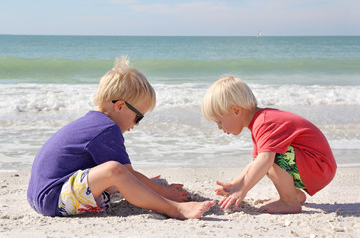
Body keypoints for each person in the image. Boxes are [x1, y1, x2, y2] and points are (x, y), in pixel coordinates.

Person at [27, 56, 215, 219]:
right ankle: (175, 209)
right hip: (52, 198)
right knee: (115, 171)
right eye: (138, 116)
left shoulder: (92, 122)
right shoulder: (106, 129)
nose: (137, 123)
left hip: (40, 196)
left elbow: (125, 175)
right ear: (120, 106)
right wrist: (166, 193)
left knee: (120, 176)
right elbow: (124, 173)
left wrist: (137, 181)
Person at [201, 76, 336, 214]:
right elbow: (255, 163)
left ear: (236, 110)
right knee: (264, 159)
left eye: (219, 121)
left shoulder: (264, 122)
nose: (219, 127)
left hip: (320, 166)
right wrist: (235, 184)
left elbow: (265, 160)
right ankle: (294, 194)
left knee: (269, 157)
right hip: (313, 165)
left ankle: (289, 201)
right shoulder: (259, 122)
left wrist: (243, 189)